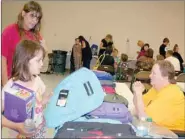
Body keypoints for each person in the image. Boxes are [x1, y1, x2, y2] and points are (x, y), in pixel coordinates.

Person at [2, 40, 53, 138]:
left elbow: (35, 104)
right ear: (25, 61)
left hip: (40, 129)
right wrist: (16, 126)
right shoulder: (10, 87)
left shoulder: (37, 80)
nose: (42, 64)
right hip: (20, 134)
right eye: (38, 60)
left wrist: (43, 102)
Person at [2, 1, 45, 87]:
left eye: (37, 18)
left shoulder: (36, 35)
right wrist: (5, 84)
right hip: (12, 80)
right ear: (23, 13)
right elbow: (2, 61)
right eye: (32, 15)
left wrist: (44, 47)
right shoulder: (9, 31)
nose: (34, 21)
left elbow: (39, 57)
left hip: (29, 81)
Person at [133, 60, 185, 131]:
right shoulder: (156, 88)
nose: (150, 76)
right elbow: (137, 108)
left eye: (153, 73)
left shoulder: (170, 93)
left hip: (173, 134)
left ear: (165, 77)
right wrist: (136, 93)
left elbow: (144, 119)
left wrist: (138, 94)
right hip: (158, 129)